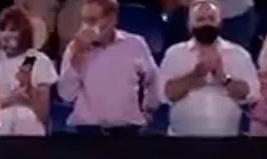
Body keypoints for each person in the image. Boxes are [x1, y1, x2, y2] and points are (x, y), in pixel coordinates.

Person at [57, 0, 159, 136]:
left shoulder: (135, 45)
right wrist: (76, 58)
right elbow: (66, 95)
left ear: (112, 19)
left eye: (92, 20)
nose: (86, 27)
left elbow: (153, 80)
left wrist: (149, 109)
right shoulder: (75, 48)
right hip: (87, 131)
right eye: (84, 20)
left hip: (128, 130)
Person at [158, 0, 259, 137]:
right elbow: (165, 94)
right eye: (200, 19)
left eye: (211, 19)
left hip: (228, 142)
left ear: (220, 22)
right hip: (181, 142)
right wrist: (194, 76)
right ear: (190, 25)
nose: (206, 23)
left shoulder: (238, 54)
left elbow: (250, 94)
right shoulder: (175, 54)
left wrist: (224, 79)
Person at [0, 6, 58, 136]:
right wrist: (11, 99)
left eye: (13, 30)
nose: (6, 35)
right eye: (2, 29)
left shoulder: (39, 60)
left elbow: (43, 114)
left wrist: (29, 88)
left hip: (31, 135)